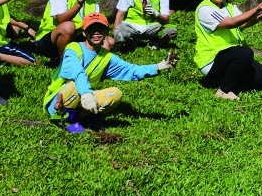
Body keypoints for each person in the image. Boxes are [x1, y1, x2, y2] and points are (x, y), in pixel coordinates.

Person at [44, 13, 178, 133]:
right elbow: (77, 72)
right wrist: (85, 93)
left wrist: (159, 66)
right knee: (74, 85)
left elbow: (131, 70)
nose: (96, 33)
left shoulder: (107, 57)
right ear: (84, 32)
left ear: (106, 32)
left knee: (115, 94)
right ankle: (67, 121)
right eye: (91, 29)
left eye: (100, 29)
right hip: (60, 99)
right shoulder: (72, 48)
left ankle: (87, 118)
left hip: (84, 99)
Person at [194, 0, 262, 99]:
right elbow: (230, 23)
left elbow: (240, 25)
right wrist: (256, 9)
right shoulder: (205, 9)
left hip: (231, 57)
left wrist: (258, 17)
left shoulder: (229, 7)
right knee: (246, 52)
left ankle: (229, 82)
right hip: (212, 61)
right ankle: (223, 90)